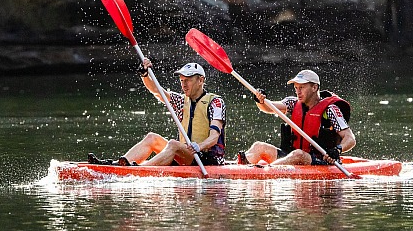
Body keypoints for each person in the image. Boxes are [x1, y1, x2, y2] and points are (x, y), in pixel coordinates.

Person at [89, 59, 226, 166]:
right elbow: (158, 91)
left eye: (188, 81)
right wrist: (145, 74)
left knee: (173, 144)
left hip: (206, 158)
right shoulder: (181, 101)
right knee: (151, 138)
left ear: (201, 80)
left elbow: (214, 137)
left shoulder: (215, 103)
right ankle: (119, 165)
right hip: (187, 154)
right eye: (182, 81)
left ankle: (143, 170)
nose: (184, 85)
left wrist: (198, 146)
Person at [238, 69, 356, 166]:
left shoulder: (331, 110)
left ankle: (266, 171)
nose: (298, 92)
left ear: (314, 88)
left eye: (302, 88)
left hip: (320, 160)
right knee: (259, 146)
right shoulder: (293, 103)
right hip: (291, 156)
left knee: (298, 154)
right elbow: (269, 107)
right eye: (296, 88)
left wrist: (337, 150)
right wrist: (260, 100)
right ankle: (239, 168)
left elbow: (350, 138)